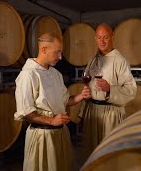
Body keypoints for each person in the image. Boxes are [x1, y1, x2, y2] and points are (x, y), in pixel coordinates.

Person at [14, 32, 91, 171]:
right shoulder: (28, 75)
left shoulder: (56, 74)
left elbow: (64, 100)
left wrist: (80, 96)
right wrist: (51, 121)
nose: (61, 57)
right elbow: (26, 112)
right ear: (44, 49)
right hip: (42, 137)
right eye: (57, 52)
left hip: (61, 134)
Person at [78, 23, 137, 160]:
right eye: (99, 37)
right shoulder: (93, 61)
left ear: (112, 37)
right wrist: (82, 115)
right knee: (91, 153)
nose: (102, 41)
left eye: (105, 37)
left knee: (109, 154)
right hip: (92, 112)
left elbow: (131, 89)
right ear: (95, 38)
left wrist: (110, 88)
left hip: (111, 113)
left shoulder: (120, 61)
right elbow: (87, 88)